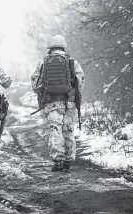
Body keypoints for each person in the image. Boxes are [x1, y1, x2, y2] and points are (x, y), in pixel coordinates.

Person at [31, 35, 85, 171]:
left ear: (50, 48)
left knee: (56, 131)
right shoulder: (72, 62)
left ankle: (58, 161)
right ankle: (68, 159)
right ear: (63, 46)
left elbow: (35, 85)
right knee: (68, 130)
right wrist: (72, 94)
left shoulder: (43, 63)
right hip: (70, 103)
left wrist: (43, 92)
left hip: (52, 103)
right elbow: (80, 82)